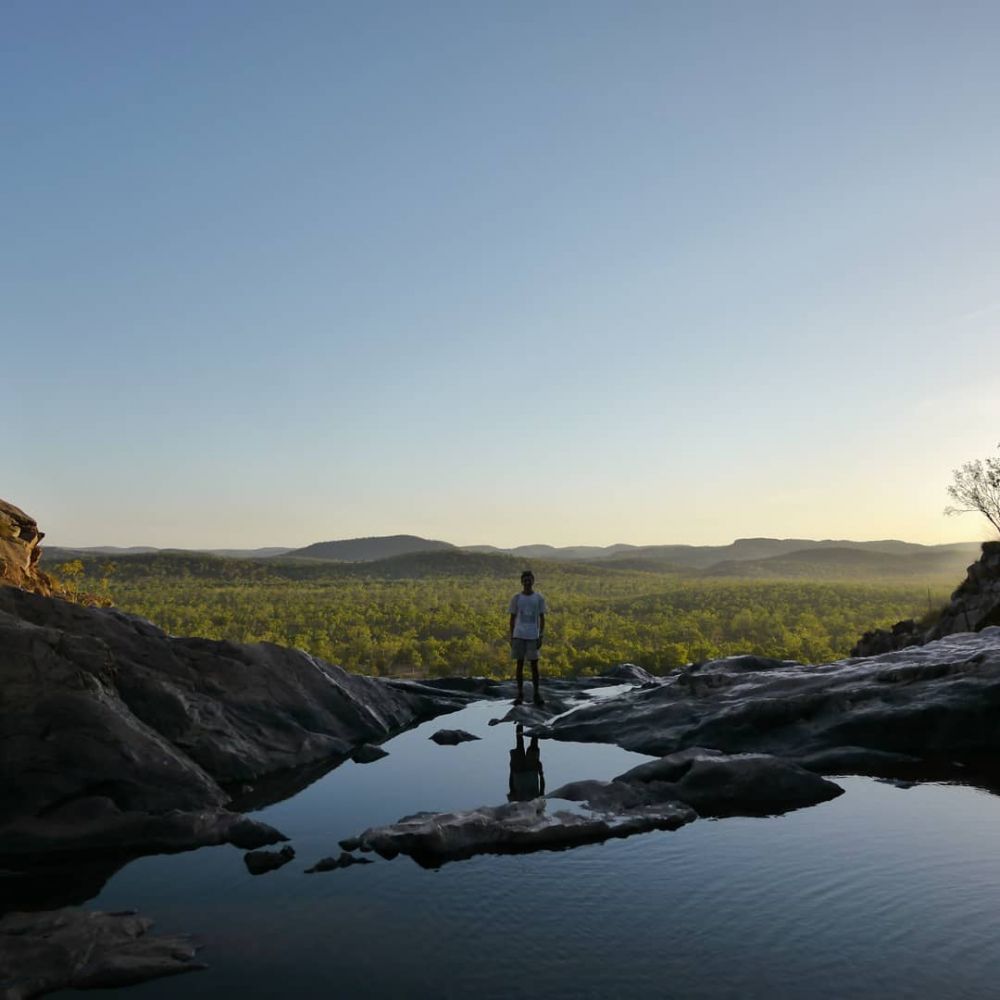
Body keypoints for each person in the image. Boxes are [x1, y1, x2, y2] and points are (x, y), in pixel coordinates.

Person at [508, 569, 546, 705]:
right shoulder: (516, 598)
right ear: (521, 582)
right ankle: (520, 694)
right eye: (525, 580)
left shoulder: (539, 598)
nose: (527, 582)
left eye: (529, 579)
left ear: (533, 581)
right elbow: (512, 618)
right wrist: (511, 636)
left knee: (534, 666)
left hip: (532, 635)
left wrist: (540, 635)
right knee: (519, 664)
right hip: (518, 635)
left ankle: (536, 694)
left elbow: (542, 618)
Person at [508, 723, 545, 802]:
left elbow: (512, 789)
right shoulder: (537, 807)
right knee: (530, 746)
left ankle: (521, 721)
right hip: (527, 773)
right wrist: (541, 773)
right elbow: (542, 791)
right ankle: (533, 723)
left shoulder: (516, 808)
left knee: (521, 745)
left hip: (520, 774)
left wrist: (511, 770)